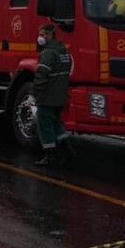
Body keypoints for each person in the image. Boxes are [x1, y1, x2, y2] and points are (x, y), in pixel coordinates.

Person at [32, 23, 75, 166]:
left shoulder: (48, 53)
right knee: (57, 123)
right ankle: (67, 150)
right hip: (60, 96)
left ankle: (50, 155)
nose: (39, 38)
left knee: (45, 124)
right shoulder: (63, 52)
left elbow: (41, 75)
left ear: (50, 35)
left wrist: (34, 93)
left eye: (42, 34)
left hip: (48, 97)